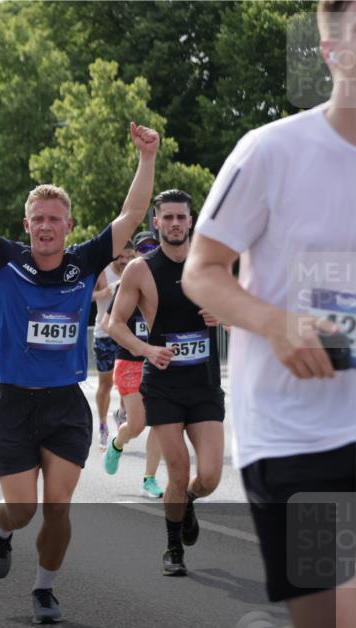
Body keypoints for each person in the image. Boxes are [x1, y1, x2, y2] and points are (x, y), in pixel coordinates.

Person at [0, 122, 157, 623]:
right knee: (22, 511)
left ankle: (44, 588)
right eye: (38, 219)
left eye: (55, 219)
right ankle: (0, 527)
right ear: (27, 226)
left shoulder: (86, 260)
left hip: (66, 402)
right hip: (16, 403)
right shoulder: (5, 259)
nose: (46, 226)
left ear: (68, 225)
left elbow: (133, 214)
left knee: (61, 507)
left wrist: (147, 158)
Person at [184, 3, 356, 628]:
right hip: (297, 437)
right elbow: (202, 270)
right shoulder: (273, 151)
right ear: (330, 50)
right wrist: (276, 322)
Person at [107, 189, 225, 577]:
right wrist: (145, 349)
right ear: (156, 222)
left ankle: (187, 500)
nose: (175, 223)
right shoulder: (140, 269)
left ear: (191, 221)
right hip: (164, 385)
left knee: (208, 477)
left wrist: (221, 314)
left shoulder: (210, 264)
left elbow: (240, 310)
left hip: (204, 383)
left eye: (181, 217)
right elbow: (114, 323)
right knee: (176, 471)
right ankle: (173, 547)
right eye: (167, 217)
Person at [103, 231, 165, 498]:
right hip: (129, 363)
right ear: (136, 253)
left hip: (159, 362)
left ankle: (149, 479)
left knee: (161, 421)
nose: (147, 251)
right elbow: (108, 324)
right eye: (143, 248)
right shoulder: (125, 285)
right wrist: (134, 345)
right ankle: (117, 443)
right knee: (137, 425)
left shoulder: (164, 282)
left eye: (153, 246)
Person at [92, 243, 133, 450]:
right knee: (106, 384)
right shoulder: (103, 272)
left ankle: (121, 413)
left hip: (126, 333)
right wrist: (106, 291)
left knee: (128, 382)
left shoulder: (135, 271)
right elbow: (88, 296)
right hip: (104, 334)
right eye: (120, 257)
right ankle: (102, 426)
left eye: (128, 256)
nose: (124, 261)